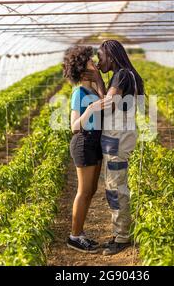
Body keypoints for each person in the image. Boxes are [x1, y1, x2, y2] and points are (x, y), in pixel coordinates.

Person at [85, 40, 145, 256]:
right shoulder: (126, 74)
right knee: (115, 185)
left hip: (118, 138)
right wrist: (101, 81)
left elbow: (108, 105)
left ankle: (122, 237)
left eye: (100, 57)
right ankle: (119, 232)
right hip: (120, 136)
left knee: (116, 187)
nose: (99, 61)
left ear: (110, 56)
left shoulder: (121, 75)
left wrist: (97, 87)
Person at [62, 45, 111, 253]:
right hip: (84, 141)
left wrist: (99, 83)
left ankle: (80, 233)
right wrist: (90, 109)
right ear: (82, 69)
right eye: (91, 61)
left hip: (95, 141)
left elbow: (108, 104)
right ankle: (74, 236)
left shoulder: (92, 89)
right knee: (83, 191)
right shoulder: (78, 93)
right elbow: (74, 126)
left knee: (91, 190)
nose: (96, 63)